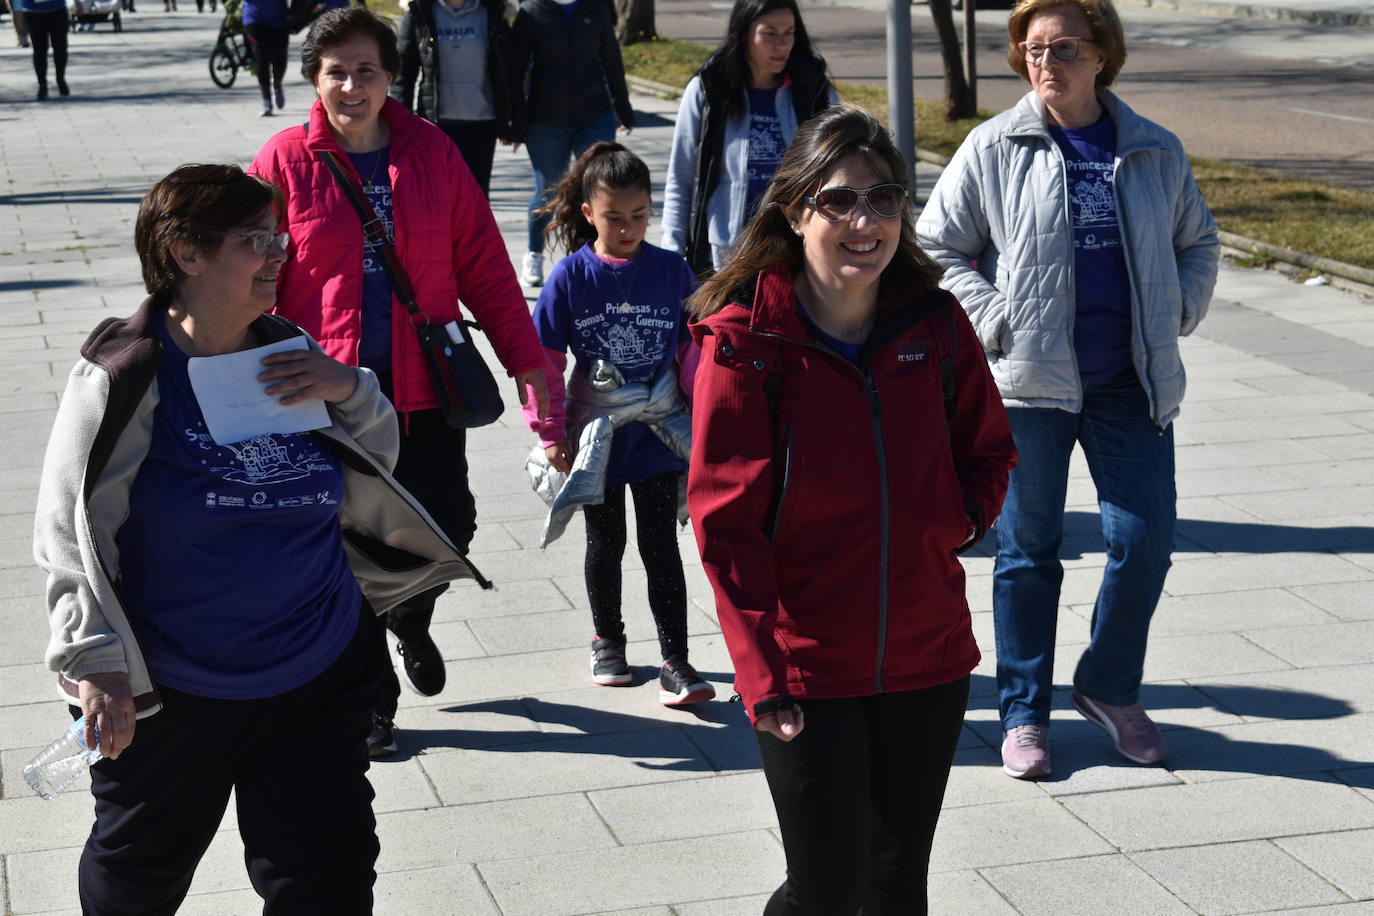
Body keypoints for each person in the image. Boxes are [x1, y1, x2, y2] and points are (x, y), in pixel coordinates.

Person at [33, 163, 486, 914]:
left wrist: (349, 387)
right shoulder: (128, 372)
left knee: (328, 880)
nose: (280, 252)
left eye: (279, 235)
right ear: (186, 252)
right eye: (255, 239)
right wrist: (95, 660)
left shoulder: (285, 348)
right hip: (177, 687)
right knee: (136, 880)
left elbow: (369, 469)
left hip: (318, 668)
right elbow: (72, 530)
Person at [688, 105, 1016, 914]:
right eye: (838, 201)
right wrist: (762, 674)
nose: (865, 223)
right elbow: (726, 529)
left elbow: (990, 451)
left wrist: (956, 522)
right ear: (795, 212)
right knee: (828, 890)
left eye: (883, 199)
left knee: (898, 888)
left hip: (928, 657)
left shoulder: (935, 323)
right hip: (805, 666)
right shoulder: (745, 344)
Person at [917, 0, 1219, 780]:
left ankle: (1109, 687)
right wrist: (995, 320)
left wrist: (1177, 308)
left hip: (1130, 381)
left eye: (1064, 48)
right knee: (1027, 553)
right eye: (1034, 47)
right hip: (1030, 385)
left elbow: (1197, 239)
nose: (1046, 62)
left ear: (1102, 54)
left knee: (1144, 540)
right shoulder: (995, 145)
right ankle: (1024, 713)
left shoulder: (1153, 147)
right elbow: (937, 246)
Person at [250, 6, 552, 758]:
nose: (351, 87)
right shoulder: (285, 160)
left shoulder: (432, 151)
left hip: (423, 388)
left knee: (450, 523)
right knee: (348, 550)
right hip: (324, 394)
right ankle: (373, 703)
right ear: (314, 79)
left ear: (392, 77)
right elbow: (247, 270)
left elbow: (482, 261)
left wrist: (528, 359)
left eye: (366, 71)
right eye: (336, 73)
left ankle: (410, 618)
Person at [525, 141, 714, 706]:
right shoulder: (570, 277)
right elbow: (541, 360)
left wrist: (703, 415)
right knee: (605, 543)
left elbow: (695, 349)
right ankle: (608, 641)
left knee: (661, 545)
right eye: (614, 217)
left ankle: (677, 660)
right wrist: (550, 432)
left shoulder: (672, 270)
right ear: (588, 213)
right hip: (596, 439)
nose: (628, 227)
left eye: (639, 215)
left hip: (657, 435)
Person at [661, 0, 835, 276]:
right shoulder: (709, 90)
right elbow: (680, 179)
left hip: (797, 249)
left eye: (789, 33)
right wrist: (672, 254)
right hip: (727, 254)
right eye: (769, 33)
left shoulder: (815, 91)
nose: (781, 44)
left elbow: (839, 169)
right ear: (743, 34)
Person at [508, 0, 635, 287]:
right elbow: (514, 70)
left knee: (598, 188)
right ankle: (534, 253)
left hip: (594, 114)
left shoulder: (596, 7)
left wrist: (623, 108)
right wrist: (515, 123)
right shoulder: (532, 11)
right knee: (549, 191)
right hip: (545, 118)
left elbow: (611, 59)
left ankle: (595, 259)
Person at [391, 0, 513, 198]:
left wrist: (512, 122)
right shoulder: (420, 11)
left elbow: (509, 68)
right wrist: (398, 124)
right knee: (440, 196)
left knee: (476, 198)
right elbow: (403, 72)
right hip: (437, 124)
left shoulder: (493, 9)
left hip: (483, 122)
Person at [243, 0, 290, 115]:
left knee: (279, 60)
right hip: (254, 18)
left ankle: (277, 84)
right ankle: (266, 100)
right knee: (261, 59)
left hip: (279, 19)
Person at [19, 0, 67, 99]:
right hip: (32, 11)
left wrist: (77, 2)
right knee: (39, 50)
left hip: (57, 8)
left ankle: (60, 79)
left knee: (60, 47)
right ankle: (42, 84)